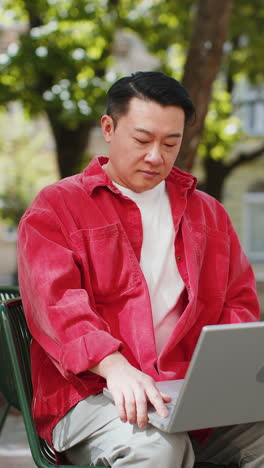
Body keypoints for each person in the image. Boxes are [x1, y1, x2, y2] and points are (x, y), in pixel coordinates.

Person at [17, 71, 263, 467]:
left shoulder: (209, 215)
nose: (156, 156)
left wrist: (226, 378)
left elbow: (238, 303)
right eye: (142, 140)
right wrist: (115, 367)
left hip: (192, 396)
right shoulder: (56, 208)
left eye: (171, 143)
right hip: (92, 393)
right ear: (109, 128)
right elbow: (57, 308)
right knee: (156, 449)